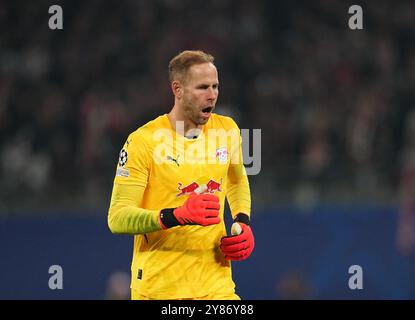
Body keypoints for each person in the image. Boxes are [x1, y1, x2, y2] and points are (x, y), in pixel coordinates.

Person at [107, 50, 254, 300]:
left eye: (215, 86)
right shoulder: (143, 142)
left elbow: (236, 179)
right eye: (202, 87)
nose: (212, 95)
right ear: (178, 89)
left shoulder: (227, 130)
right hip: (160, 289)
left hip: (216, 287)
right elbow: (118, 217)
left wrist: (242, 221)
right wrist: (177, 216)